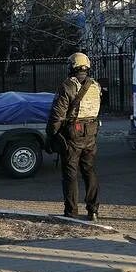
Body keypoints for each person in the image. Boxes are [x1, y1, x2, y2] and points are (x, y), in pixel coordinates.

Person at [47, 52, 102, 221]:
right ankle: (93, 210)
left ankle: (71, 212)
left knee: (70, 173)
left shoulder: (68, 86)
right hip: (91, 132)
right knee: (89, 171)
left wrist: (51, 134)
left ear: (71, 67)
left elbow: (58, 115)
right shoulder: (96, 85)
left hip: (73, 134)